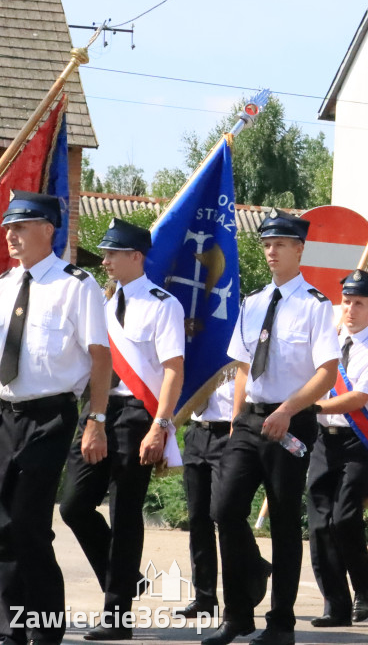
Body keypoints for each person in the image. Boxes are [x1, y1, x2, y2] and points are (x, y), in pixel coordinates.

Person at [203, 210, 340, 645]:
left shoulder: (316, 306)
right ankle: (238, 612)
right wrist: (235, 419)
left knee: (283, 521)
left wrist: (287, 410)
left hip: (293, 421)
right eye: (266, 244)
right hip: (250, 420)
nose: (271, 251)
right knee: (223, 510)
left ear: (299, 249)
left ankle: (280, 623)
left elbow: (327, 374)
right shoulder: (254, 301)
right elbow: (244, 366)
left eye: (280, 244)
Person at [60, 219, 185, 641]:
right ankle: (127, 578)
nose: (106, 261)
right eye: (105, 254)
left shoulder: (162, 303)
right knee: (74, 506)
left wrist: (160, 426)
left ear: (136, 256)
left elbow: (172, 370)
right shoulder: (99, 301)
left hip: (136, 414)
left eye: (113, 254)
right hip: (96, 410)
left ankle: (117, 614)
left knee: (125, 512)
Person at [0, 192, 109, 645]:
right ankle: (11, 627)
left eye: (20, 227)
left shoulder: (76, 284)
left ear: (48, 229)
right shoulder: (4, 284)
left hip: (50, 415)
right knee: (2, 525)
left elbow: (100, 360)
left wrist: (96, 419)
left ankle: (45, 629)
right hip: (5, 414)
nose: (10, 235)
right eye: (8, 228)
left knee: (26, 521)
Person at [307, 269, 368, 627]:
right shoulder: (323, 339)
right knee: (318, 527)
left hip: (356, 442)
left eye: (359, 303)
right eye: (346, 301)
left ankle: (364, 582)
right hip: (321, 442)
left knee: (344, 519)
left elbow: (357, 399)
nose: (350, 309)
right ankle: (335, 604)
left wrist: (304, 406)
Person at [177, 368, 237, 620]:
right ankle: (204, 597)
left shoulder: (239, 342)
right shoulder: (202, 341)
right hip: (197, 431)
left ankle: (239, 594)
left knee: (225, 515)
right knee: (198, 518)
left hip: (229, 434)